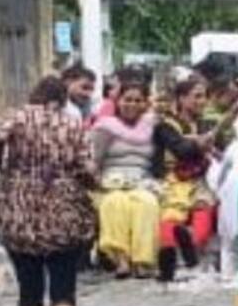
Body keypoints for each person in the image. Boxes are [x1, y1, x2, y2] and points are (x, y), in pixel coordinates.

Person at [0, 75, 99, 306]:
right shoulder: (72, 125)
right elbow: (87, 169)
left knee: (29, 291)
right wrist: (92, 185)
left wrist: (1, 165)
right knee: (63, 290)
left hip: (17, 210)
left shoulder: (14, 117)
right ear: (62, 100)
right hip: (63, 211)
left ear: (34, 95)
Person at [88, 77, 162, 277]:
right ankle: (120, 259)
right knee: (115, 202)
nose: (132, 104)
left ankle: (143, 261)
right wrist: (95, 183)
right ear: (118, 101)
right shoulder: (105, 127)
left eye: (138, 100)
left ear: (145, 103)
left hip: (143, 181)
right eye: (127, 99)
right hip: (110, 182)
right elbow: (93, 160)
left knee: (146, 203)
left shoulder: (152, 126)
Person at [152, 73, 219, 283]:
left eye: (204, 96)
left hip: (201, 179)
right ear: (181, 99)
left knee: (204, 205)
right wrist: (199, 142)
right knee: (172, 212)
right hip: (174, 178)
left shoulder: (207, 124)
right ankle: (168, 256)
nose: (202, 101)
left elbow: (221, 150)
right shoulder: (165, 126)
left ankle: (191, 242)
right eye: (196, 96)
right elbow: (181, 150)